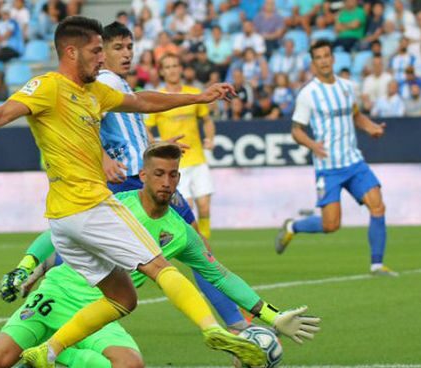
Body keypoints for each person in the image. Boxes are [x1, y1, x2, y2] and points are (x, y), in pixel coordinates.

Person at [0, 16, 268, 368]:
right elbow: (1, 113)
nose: (101, 59)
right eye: (96, 51)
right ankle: (212, 331)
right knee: (159, 265)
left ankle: (48, 350)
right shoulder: (48, 87)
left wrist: (198, 96)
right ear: (72, 51)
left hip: (62, 219)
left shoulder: (96, 92)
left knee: (122, 297)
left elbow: (142, 101)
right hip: (88, 205)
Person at [0, 143, 321, 368]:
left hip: (104, 307)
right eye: (158, 174)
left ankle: (54, 355)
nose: (166, 183)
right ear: (143, 175)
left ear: (178, 179)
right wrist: (28, 265)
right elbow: (56, 231)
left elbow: (219, 274)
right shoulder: (113, 203)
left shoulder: (181, 234)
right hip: (59, 291)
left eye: (173, 176)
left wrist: (269, 314)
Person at [19, 21, 251, 332]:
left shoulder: (119, 84)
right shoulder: (102, 84)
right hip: (128, 182)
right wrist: (102, 159)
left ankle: (237, 322)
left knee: (197, 249)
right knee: (87, 268)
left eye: (129, 47)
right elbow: (82, 127)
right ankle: (40, 284)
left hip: (144, 177)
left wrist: (156, 146)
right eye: (116, 48)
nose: (126, 53)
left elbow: (132, 124)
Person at [275, 40, 397, 276]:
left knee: (378, 206)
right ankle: (294, 226)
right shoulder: (308, 94)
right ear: (313, 63)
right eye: (318, 57)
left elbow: (356, 115)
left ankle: (377, 265)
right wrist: (313, 145)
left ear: (332, 59)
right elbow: (296, 130)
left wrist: (371, 127)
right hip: (328, 167)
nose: (323, 61)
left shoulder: (347, 87)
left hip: (353, 161)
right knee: (331, 225)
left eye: (326, 56)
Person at [145, 53, 216, 240]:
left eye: (175, 65)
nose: (172, 70)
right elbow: (146, 127)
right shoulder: (157, 96)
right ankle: (185, 245)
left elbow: (207, 120)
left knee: (205, 207)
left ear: (181, 68)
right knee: (187, 208)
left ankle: (204, 247)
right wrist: (156, 146)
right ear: (161, 72)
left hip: (198, 158)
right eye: (167, 67)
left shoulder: (193, 93)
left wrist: (210, 137)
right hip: (175, 163)